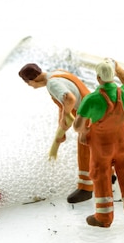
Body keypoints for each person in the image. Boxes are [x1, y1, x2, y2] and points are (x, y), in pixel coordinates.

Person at [74, 59, 124, 227]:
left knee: (101, 177)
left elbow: (77, 126)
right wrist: (118, 69)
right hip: (123, 146)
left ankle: (103, 218)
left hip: (101, 148)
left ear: (98, 78)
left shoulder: (92, 99)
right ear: (113, 76)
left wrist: (84, 131)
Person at [19, 63, 94, 203]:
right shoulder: (58, 73)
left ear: (31, 81)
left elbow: (70, 99)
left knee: (85, 150)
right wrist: (62, 126)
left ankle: (86, 188)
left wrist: (66, 115)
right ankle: (109, 175)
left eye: (28, 84)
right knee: (99, 147)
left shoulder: (52, 84)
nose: (31, 87)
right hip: (95, 109)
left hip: (88, 114)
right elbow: (63, 103)